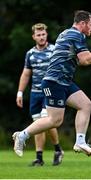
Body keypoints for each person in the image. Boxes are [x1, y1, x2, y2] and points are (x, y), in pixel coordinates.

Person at [13, 10, 91, 157]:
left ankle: (80, 141)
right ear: (82, 23)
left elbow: (81, 58)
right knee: (55, 120)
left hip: (64, 81)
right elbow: (85, 60)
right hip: (54, 82)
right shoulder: (77, 35)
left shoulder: (67, 33)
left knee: (85, 105)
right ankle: (22, 135)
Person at [16, 23, 64, 166]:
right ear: (34, 37)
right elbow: (26, 74)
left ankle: (57, 149)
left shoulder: (54, 50)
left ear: (46, 35)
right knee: (37, 123)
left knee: (46, 119)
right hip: (35, 93)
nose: (41, 37)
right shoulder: (30, 53)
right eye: (38, 35)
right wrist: (19, 92)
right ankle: (40, 157)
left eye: (43, 34)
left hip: (50, 91)